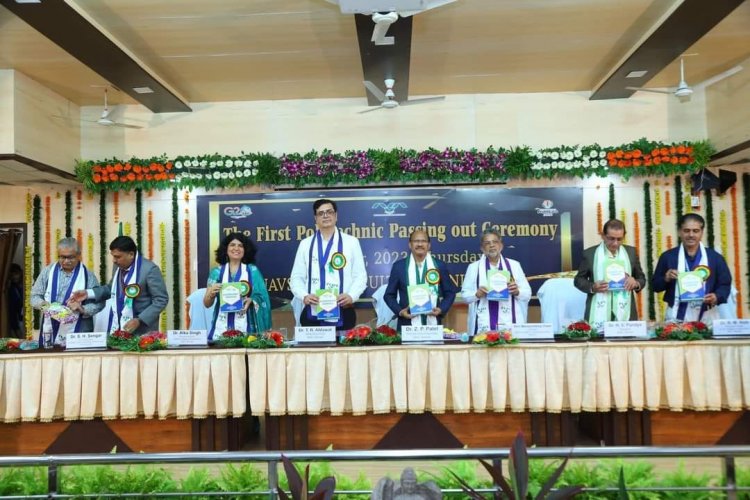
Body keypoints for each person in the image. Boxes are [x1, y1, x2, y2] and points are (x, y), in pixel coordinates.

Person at [290, 199, 367, 330]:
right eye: (321, 213)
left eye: (329, 212)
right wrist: (304, 296)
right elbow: (296, 277)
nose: (325, 216)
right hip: (312, 310)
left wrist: (351, 296)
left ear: (336, 216)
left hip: (342, 309)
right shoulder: (306, 244)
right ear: (315, 218)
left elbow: (360, 276)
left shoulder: (351, 242)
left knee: (342, 350)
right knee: (314, 350)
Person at [70, 235, 168, 335]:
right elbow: (111, 288)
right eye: (113, 256)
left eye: (117, 257)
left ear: (131, 254)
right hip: (119, 328)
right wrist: (88, 293)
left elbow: (161, 300)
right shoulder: (118, 267)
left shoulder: (149, 270)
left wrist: (139, 320)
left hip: (143, 332)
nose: (114, 260)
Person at [652, 213, 732, 321]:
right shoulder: (668, 257)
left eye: (695, 231)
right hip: (676, 313)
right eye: (686, 230)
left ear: (702, 232)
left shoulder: (715, 258)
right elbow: (655, 286)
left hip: (707, 314)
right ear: (679, 232)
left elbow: (725, 284)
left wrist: (717, 296)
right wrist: (666, 278)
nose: (691, 235)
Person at [574, 219, 646, 328]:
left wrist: (635, 282)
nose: (615, 243)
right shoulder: (590, 254)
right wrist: (592, 286)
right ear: (603, 235)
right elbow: (578, 280)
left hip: (626, 312)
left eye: (619, 239)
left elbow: (641, 278)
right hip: (597, 311)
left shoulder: (631, 252)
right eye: (611, 238)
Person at [30, 238, 102, 344]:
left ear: (79, 255)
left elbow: (99, 303)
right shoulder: (48, 271)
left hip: (79, 330)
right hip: (50, 327)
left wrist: (82, 309)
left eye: (70, 257)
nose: (66, 261)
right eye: (62, 257)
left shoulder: (88, 276)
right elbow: (34, 296)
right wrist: (46, 306)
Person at [461, 229, 531, 334]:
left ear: (501, 245)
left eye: (495, 242)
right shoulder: (473, 268)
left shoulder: (514, 265)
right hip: (483, 323)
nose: (492, 245)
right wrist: (477, 294)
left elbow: (527, 294)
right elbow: (465, 296)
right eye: (487, 243)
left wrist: (517, 291)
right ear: (482, 248)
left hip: (510, 322)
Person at [203, 232, 271, 339]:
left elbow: (263, 298)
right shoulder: (216, 272)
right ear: (226, 249)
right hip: (220, 329)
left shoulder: (252, 271)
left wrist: (252, 300)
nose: (236, 248)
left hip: (247, 330)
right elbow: (207, 304)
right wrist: (211, 293)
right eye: (232, 245)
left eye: (240, 245)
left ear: (245, 250)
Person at [384, 229, 457, 328]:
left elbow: (450, 293)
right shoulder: (399, 267)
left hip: (433, 324)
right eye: (416, 241)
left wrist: (441, 309)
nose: (419, 244)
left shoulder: (439, 266)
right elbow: (389, 295)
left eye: (423, 241)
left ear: (429, 245)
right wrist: (400, 312)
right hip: (407, 324)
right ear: (410, 245)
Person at [6, 263, 25, 338]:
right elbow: (12, 311)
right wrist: (16, 327)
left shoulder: (25, 285)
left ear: (20, 272)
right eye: (11, 275)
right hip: (20, 320)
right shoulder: (12, 290)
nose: (14, 277)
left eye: (16, 273)